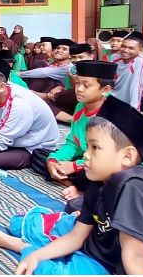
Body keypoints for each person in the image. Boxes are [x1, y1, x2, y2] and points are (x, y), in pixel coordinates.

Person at [12, 95, 143, 276]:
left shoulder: (133, 187)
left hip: (118, 264)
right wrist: (37, 256)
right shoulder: (98, 182)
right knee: (21, 224)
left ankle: (23, 247)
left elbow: (135, 259)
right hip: (101, 246)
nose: (85, 155)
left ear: (127, 156)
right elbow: (76, 236)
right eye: (88, 147)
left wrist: (29, 253)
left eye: (95, 147)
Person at [30, 61, 116, 196]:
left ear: (105, 90)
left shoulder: (113, 113)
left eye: (86, 85)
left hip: (103, 164)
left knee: (99, 178)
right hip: (83, 157)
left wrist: (75, 166)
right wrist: (54, 160)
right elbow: (73, 142)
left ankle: (76, 186)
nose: (79, 89)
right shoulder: (80, 107)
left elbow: (110, 157)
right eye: (77, 83)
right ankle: (68, 182)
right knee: (39, 155)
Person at [43, 43, 93, 123]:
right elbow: (68, 90)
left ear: (91, 57)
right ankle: (73, 120)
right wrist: (60, 88)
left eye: (80, 57)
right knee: (44, 103)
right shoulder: (72, 69)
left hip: (90, 101)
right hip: (73, 101)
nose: (77, 60)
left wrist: (75, 81)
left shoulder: (97, 70)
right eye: (73, 57)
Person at [110, 31, 143, 110]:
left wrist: (134, 111)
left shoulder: (140, 62)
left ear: (140, 50)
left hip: (127, 103)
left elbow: (136, 87)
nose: (125, 50)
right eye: (123, 46)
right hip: (111, 100)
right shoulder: (114, 57)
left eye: (131, 48)